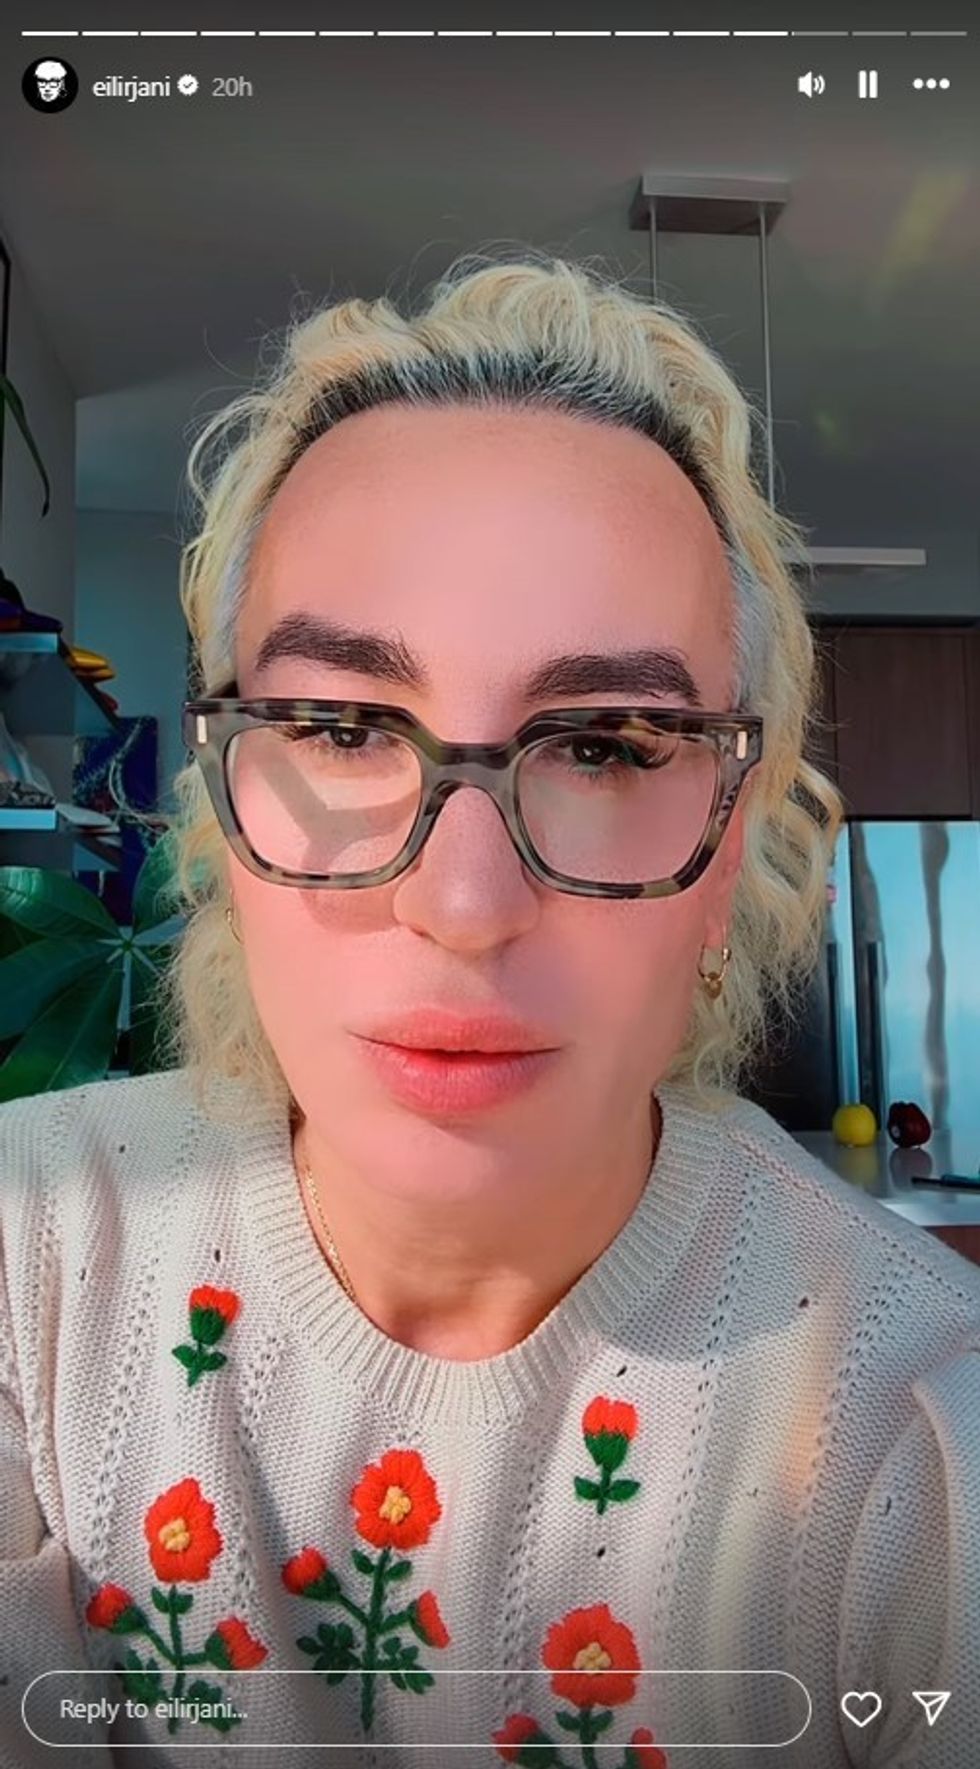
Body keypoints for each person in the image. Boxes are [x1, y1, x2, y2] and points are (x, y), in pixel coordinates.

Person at [2, 250, 978, 1769]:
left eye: (605, 744)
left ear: (728, 851)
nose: (462, 904)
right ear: (223, 801)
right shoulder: (28, 1263)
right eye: (340, 724)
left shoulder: (920, 1439)